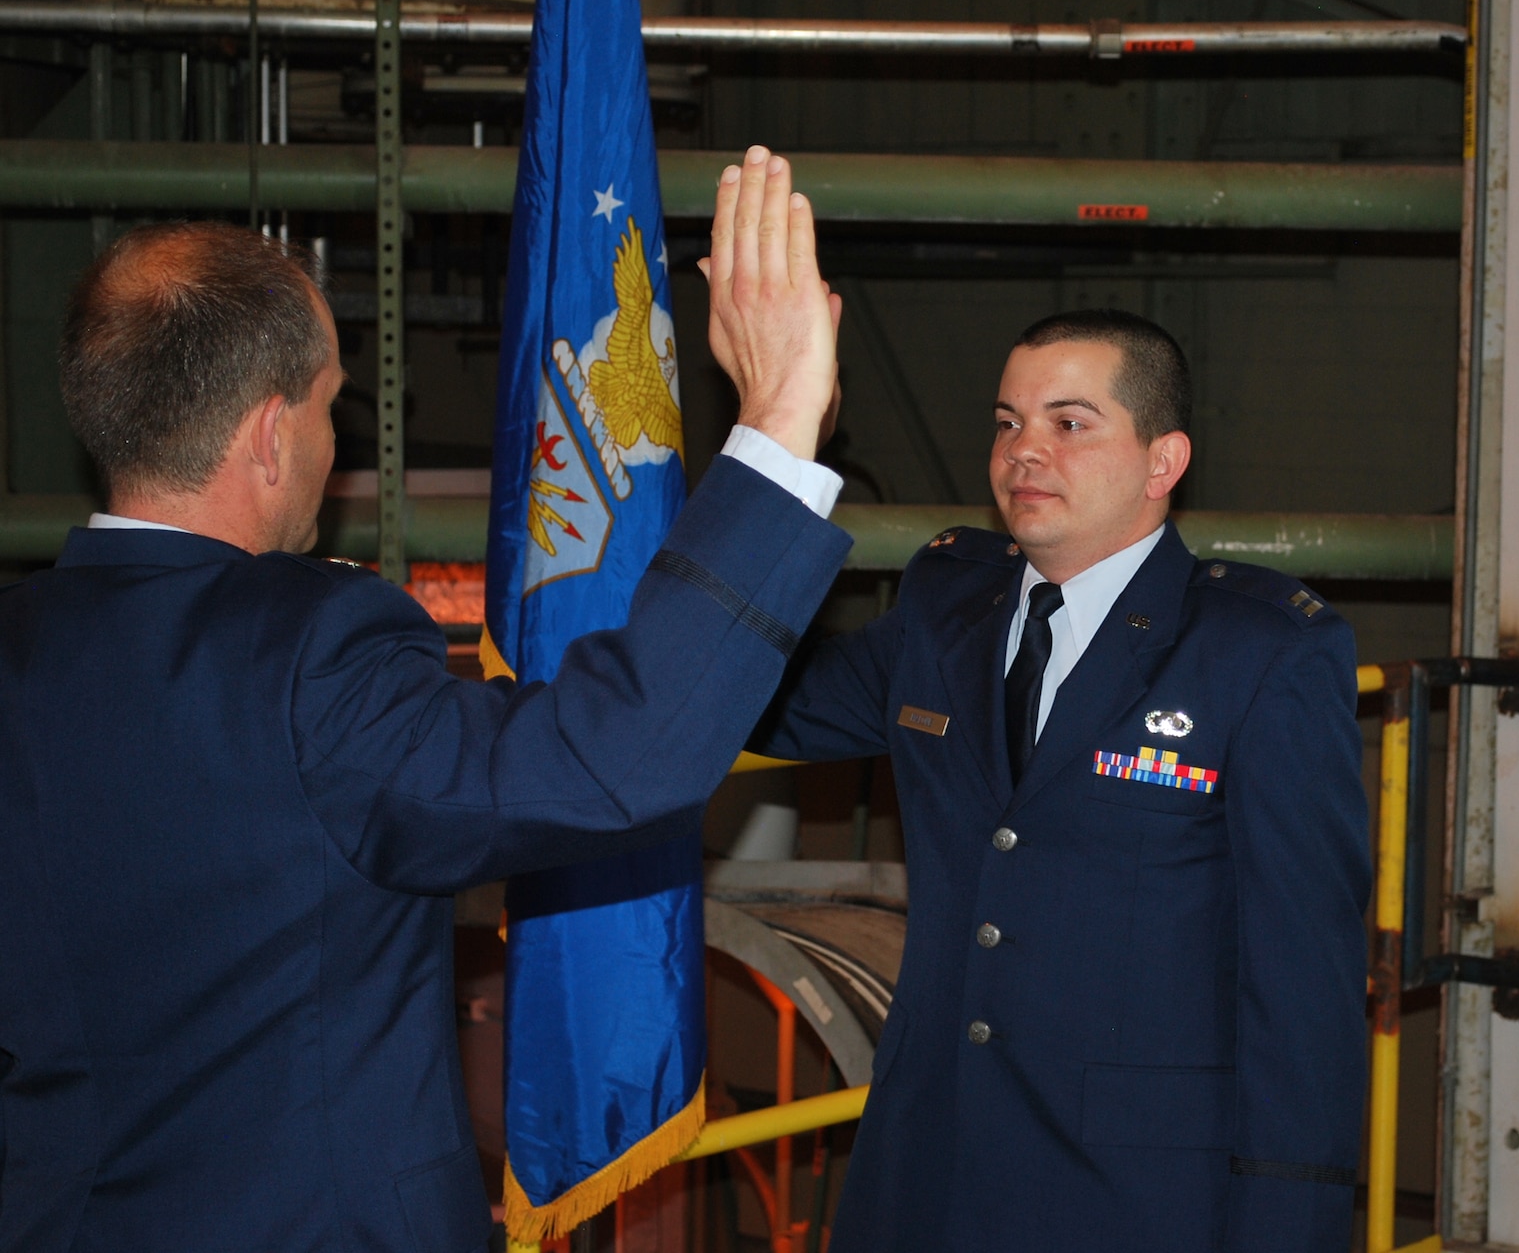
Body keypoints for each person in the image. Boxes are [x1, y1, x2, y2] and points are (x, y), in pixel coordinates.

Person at [0, 148, 845, 1253]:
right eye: (326, 406)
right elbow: (613, 759)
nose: (330, 443)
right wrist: (781, 421)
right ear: (267, 433)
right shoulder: (311, 648)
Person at [752, 310, 1373, 1252]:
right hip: (925, 1178)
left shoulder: (1259, 654)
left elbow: (1305, 993)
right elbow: (753, 697)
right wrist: (770, 457)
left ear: (1163, 461)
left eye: (1069, 423)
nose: (1023, 452)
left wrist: (1289, 1226)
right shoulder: (944, 604)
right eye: (1008, 422)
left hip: (1135, 1198)